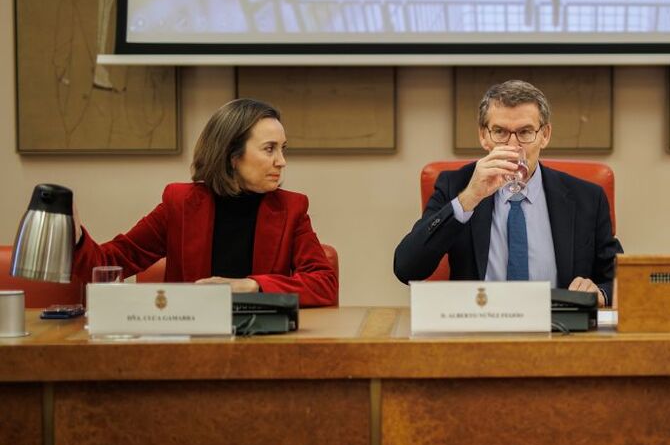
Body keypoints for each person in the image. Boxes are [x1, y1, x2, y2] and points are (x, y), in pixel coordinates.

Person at [71, 98, 338, 307]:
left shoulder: (291, 209)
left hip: (261, 344)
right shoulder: (180, 203)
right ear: (232, 156)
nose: (282, 161)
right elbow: (109, 263)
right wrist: (74, 235)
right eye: (270, 149)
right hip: (188, 345)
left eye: (283, 149)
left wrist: (253, 285)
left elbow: (324, 283)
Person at [393, 79, 621, 305]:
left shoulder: (586, 198)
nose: (513, 146)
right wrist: (468, 199)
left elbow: (621, 279)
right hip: (480, 328)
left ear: (545, 135)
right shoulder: (456, 185)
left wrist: (601, 292)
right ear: (484, 136)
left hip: (560, 330)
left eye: (525, 132)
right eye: (500, 132)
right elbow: (406, 268)